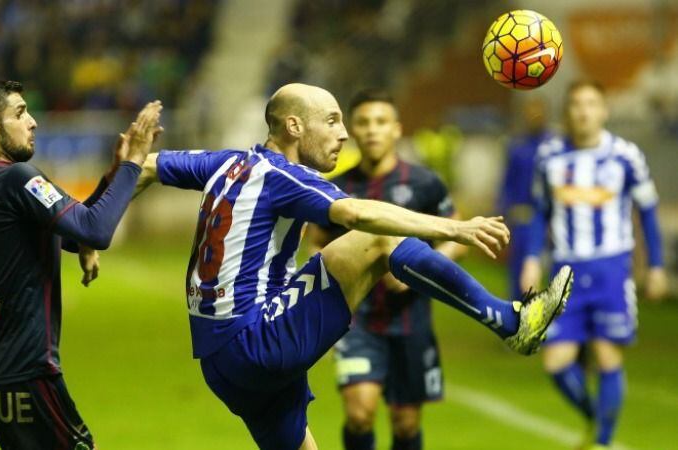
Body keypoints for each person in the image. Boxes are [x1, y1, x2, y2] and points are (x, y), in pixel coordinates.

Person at [136, 83, 573, 450]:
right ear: (293, 126)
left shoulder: (226, 163)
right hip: (257, 341)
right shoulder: (282, 175)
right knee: (376, 239)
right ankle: (509, 321)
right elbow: (360, 217)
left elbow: (144, 165)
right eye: (332, 121)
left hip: (218, 364)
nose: (344, 134)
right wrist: (453, 229)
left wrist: (91, 227)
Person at [0, 80, 162, 449]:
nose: (32, 121)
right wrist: (133, 163)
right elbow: (94, 230)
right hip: (25, 372)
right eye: (19, 113)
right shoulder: (17, 179)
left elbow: (71, 231)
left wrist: (113, 175)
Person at [306, 89, 466, 450]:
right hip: (357, 319)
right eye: (363, 122)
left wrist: (421, 272)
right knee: (360, 413)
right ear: (351, 131)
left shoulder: (425, 184)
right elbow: (315, 241)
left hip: (411, 320)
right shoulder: (337, 187)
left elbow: (454, 235)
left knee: (406, 425)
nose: (372, 130)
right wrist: (336, 279)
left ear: (396, 129)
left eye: (380, 122)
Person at [521, 80, 668, 450]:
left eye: (591, 104)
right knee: (555, 362)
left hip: (611, 269)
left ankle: (601, 442)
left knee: (606, 355)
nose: (583, 111)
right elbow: (540, 213)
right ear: (567, 112)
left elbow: (648, 211)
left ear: (604, 110)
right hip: (565, 271)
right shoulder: (549, 157)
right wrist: (530, 259)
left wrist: (656, 266)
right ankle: (596, 420)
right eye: (576, 104)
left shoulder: (625, 155)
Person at [497, 96, 553, 301]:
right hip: (521, 223)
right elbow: (507, 184)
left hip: (549, 223)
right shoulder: (517, 147)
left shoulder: (553, 147)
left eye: (538, 112)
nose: (534, 117)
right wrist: (502, 217)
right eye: (530, 113)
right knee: (518, 278)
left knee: (551, 278)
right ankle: (518, 323)